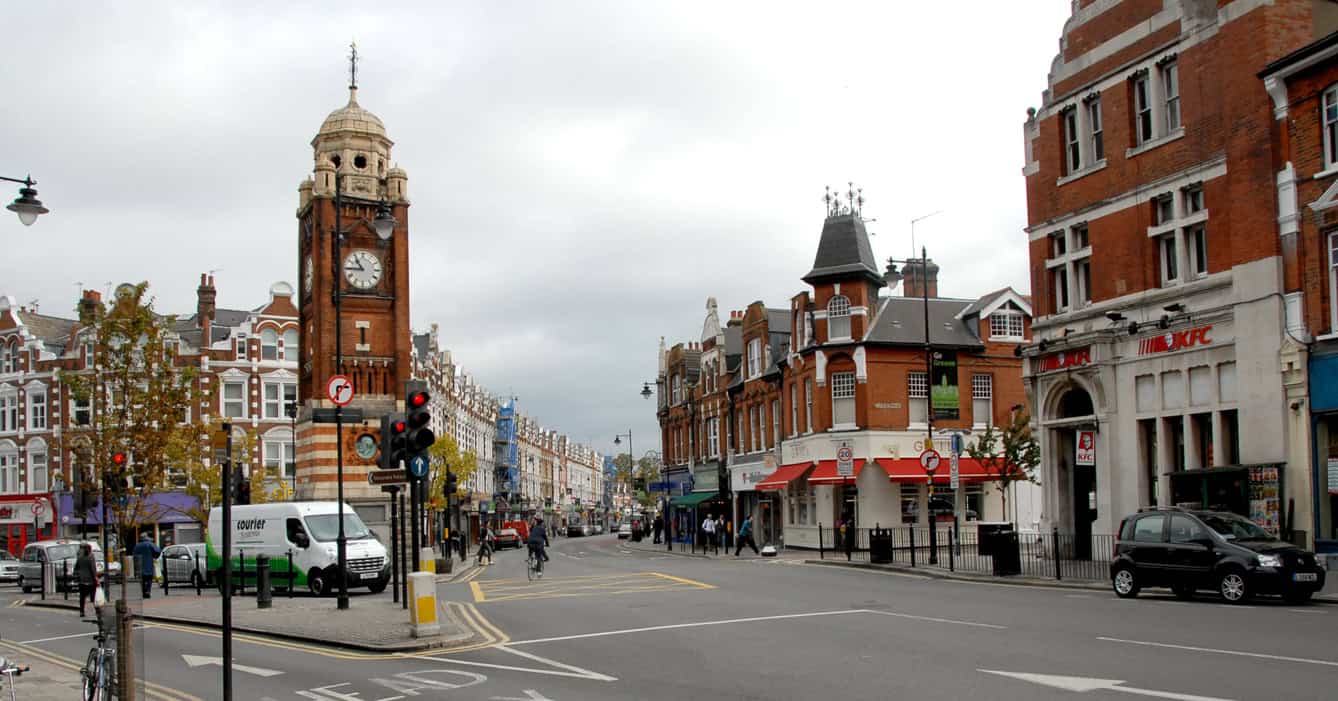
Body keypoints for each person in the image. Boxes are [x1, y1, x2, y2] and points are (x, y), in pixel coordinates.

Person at [132, 533, 160, 599]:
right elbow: (158, 551)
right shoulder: (149, 544)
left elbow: (134, 555)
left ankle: (144, 592)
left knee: (142, 580)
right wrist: (154, 556)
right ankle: (148, 591)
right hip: (149, 564)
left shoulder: (137, 546)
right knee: (149, 579)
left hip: (140, 566)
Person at [76, 543, 99, 617]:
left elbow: (76, 568)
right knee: (94, 597)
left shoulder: (80, 558)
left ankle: (81, 611)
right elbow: (93, 569)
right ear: (90, 549)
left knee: (82, 597)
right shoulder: (91, 557)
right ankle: (97, 611)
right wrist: (96, 578)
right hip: (90, 580)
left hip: (82, 580)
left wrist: (79, 574)